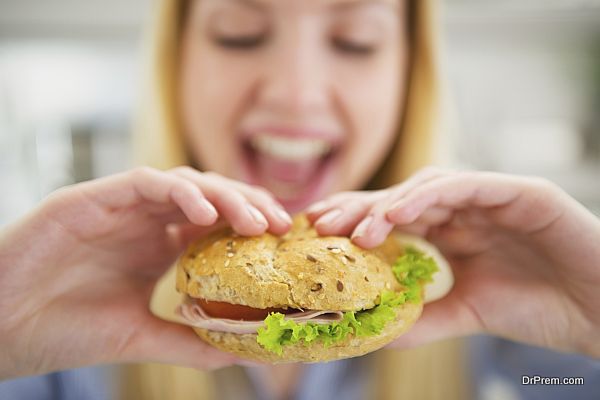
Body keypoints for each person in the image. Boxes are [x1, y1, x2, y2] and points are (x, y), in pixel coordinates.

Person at [0, 0, 599, 399]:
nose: (296, 93)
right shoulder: (64, 338)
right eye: (240, 34)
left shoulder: (495, 325)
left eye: (355, 41)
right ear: (176, 62)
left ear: (408, 76)